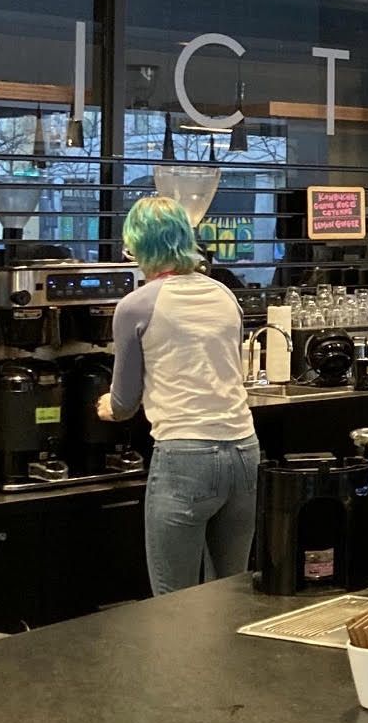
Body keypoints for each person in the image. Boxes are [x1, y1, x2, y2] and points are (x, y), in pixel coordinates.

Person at [98, 196, 260, 595]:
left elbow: (123, 403)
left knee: (174, 602)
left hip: (185, 458)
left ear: (141, 246)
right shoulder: (225, 295)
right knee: (231, 594)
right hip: (244, 451)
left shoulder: (135, 306)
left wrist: (104, 407)